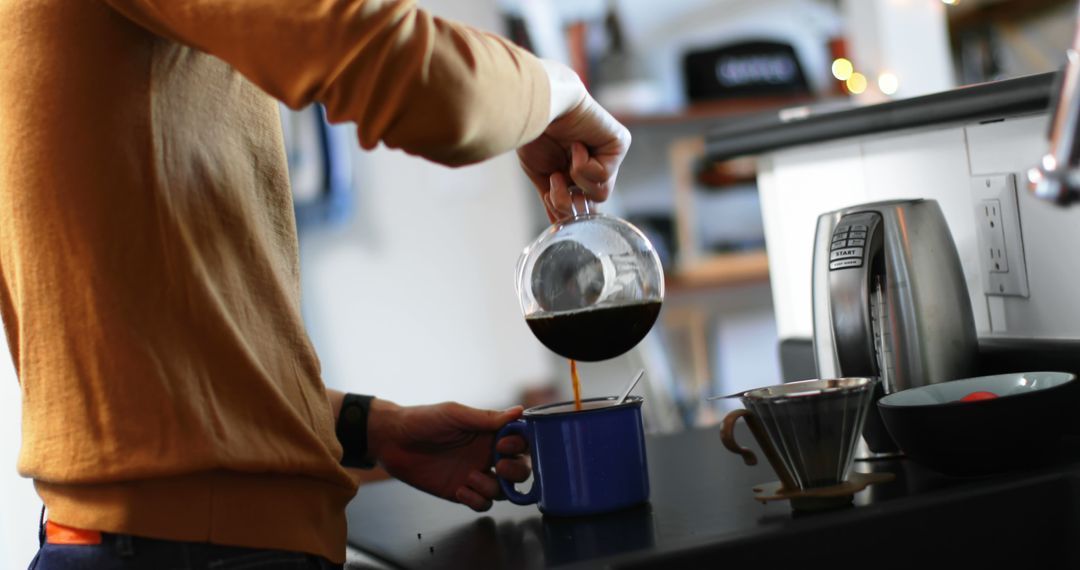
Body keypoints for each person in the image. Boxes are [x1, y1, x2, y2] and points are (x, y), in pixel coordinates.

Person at [0, 0, 630, 568]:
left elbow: (133, 362)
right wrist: (562, 90)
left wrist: (366, 427)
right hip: (198, 552)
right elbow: (431, 83)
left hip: (123, 542)